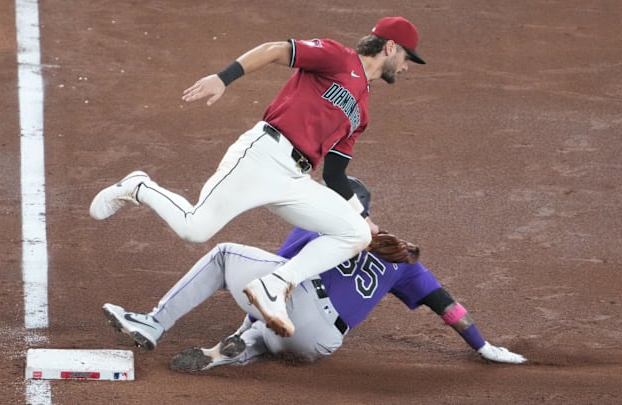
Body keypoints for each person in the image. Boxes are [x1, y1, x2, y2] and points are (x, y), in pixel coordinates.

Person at [89, 16, 427, 338]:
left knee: (353, 233)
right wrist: (223, 78)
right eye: (407, 57)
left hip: (295, 179)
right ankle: (139, 186)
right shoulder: (338, 57)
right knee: (195, 229)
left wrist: (367, 221)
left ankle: (275, 285)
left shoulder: (362, 109)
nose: (407, 66)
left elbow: (336, 174)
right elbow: (276, 49)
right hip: (262, 155)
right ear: (390, 47)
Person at [101, 177, 526, 371]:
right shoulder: (400, 257)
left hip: (297, 307)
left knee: (226, 255)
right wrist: (482, 344)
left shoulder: (322, 222)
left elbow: (279, 277)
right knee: (275, 332)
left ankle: (155, 322)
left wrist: (256, 312)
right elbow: (446, 306)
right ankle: (242, 348)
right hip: (321, 344)